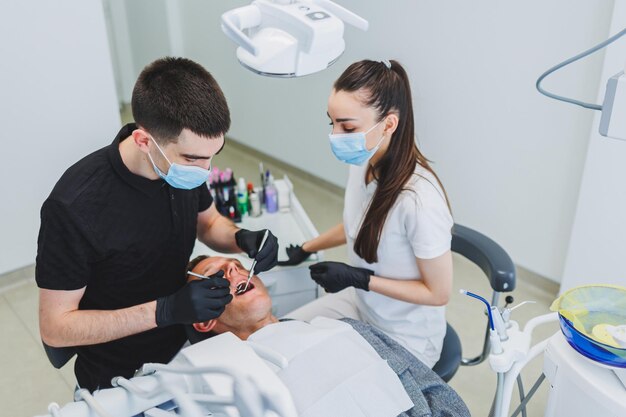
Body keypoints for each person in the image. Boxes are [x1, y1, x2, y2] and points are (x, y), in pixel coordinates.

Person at [35, 57, 279, 391]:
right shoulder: (75, 207)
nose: (205, 170)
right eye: (193, 159)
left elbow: (208, 223)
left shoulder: (178, 168)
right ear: (143, 141)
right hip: (118, 376)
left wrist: (242, 237)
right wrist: (164, 311)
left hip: (183, 353)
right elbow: (56, 328)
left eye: (214, 155)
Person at [278, 59, 454, 368]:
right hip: (362, 305)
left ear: (389, 124)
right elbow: (358, 224)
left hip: (406, 336)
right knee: (278, 339)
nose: (335, 135)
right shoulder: (364, 162)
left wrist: (361, 278)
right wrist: (306, 248)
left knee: (318, 378)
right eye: (331, 123)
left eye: (347, 127)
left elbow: (438, 293)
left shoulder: (419, 202)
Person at [185, 255, 469, 417]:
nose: (234, 269)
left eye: (237, 264)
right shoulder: (233, 393)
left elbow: (433, 390)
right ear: (205, 320)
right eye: (215, 275)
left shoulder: (345, 328)